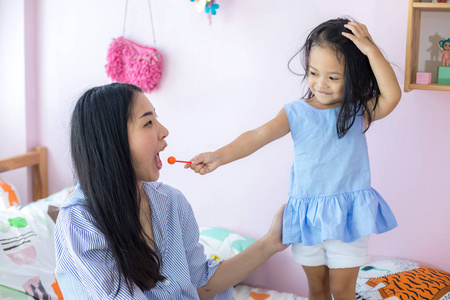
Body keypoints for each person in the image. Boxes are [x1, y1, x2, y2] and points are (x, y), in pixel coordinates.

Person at [186, 18, 401, 300]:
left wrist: (371, 50)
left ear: (354, 77)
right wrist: (219, 156)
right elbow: (258, 135)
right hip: (307, 217)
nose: (320, 84)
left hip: (348, 217)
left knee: (342, 289)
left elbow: (392, 95)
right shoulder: (296, 113)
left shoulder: (358, 111)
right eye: (313, 72)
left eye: (333, 77)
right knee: (317, 289)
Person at [54, 83, 287, 299]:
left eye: (157, 119)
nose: (164, 131)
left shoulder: (171, 202)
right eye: (148, 122)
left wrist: (271, 242)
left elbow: (201, 283)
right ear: (112, 140)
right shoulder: (79, 221)